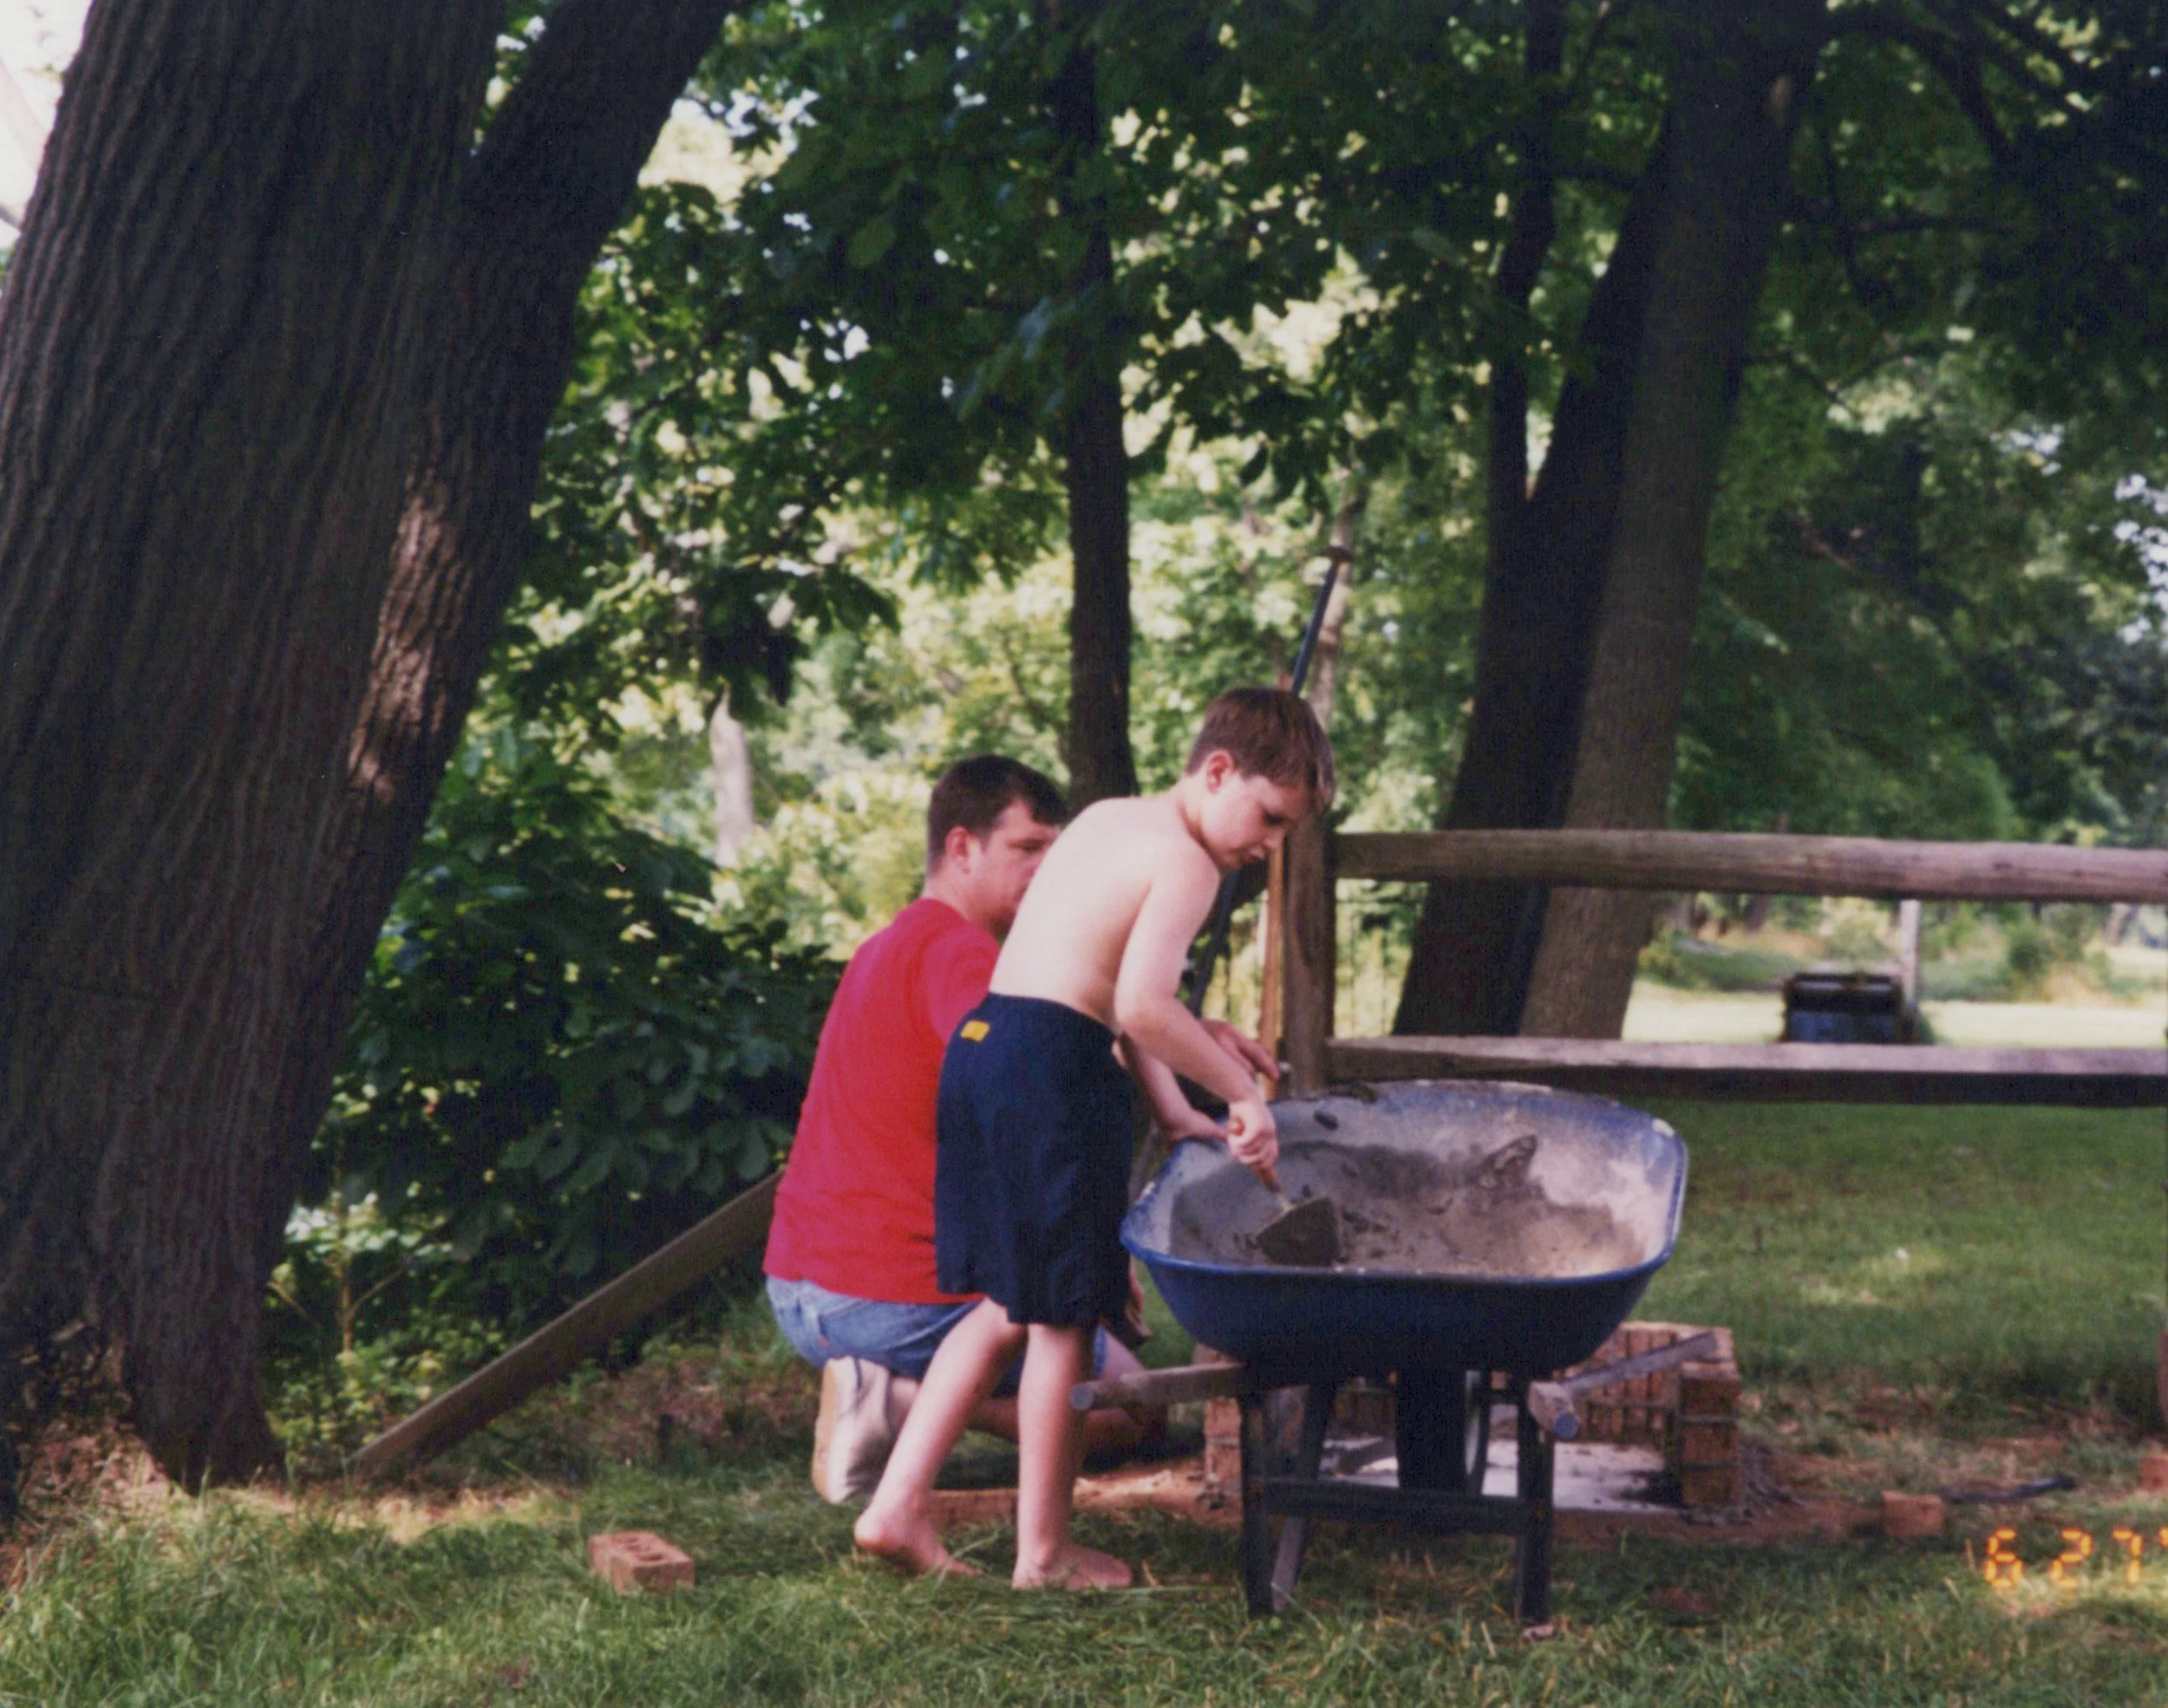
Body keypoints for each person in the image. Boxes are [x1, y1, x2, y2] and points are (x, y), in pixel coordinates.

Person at [854, 687, 1335, 1588]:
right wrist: (1242, 1094)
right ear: (1218, 770)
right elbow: (1142, 1008)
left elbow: (1116, 990)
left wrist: (1171, 1107)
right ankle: (1046, 1553)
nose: (1269, 844)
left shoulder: (1110, 820)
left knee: (1004, 1304)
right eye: (1269, 817)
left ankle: (894, 1506)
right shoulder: (1190, 863)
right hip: (1052, 1073)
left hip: (989, 1049)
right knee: (1065, 1320)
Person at [764, 756, 1233, 1502]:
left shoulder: (885, 947)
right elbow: (1028, 1099)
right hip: (882, 1296)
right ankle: (891, 1403)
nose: (1048, 869)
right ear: (960, 849)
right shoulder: (964, 957)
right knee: (1129, 1412)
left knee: (1094, 1368)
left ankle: (886, 1397)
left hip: (801, 1285)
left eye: (1055, 848)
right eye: (1027, 849)